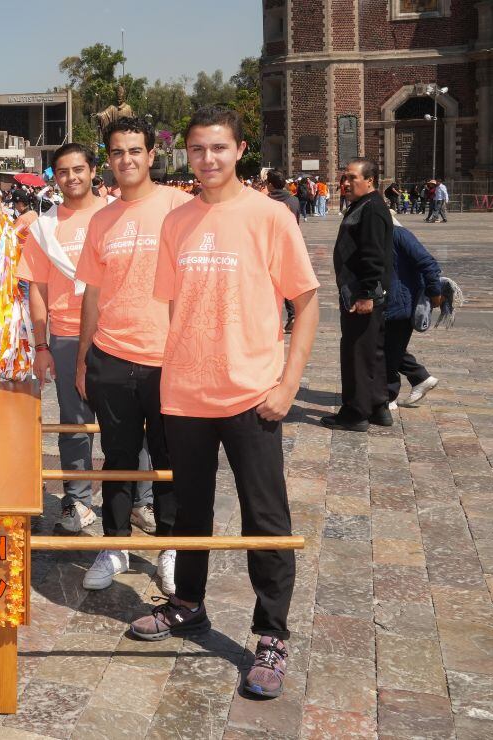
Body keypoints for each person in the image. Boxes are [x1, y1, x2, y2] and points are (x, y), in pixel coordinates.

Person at [129, 106, 320, 702]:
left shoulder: (270, 216)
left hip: (251, 395)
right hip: (185, 395)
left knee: (266, 517)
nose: (207, 159)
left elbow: (306, 303)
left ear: (240, 150)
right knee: (190, 512)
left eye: (218, 147)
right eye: (197, 149)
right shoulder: (177, 222)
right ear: (185, 154)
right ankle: (188, 603)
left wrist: (287, 385)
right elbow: (172, 306)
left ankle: (272, 635)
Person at [73, 117, 189, 594]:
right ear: (109, 158)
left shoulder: (180, 207)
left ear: (151, 155)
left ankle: (170, 549)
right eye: (118, 152)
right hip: (113, 355)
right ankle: (115, 545)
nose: (127, 159)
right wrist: (84, 358)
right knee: (118, 458)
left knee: (168, 458)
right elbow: (92, 293)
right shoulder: (101, 220)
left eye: (135, 150)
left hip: (168, 359)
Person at [17, 142, 106, 533]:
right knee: (74, 422)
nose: (72, 178)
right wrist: (41, 345)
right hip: (67, 335)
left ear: (93, 171)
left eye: (79, 169)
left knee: (128, 423)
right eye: (64, 172)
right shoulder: (44, 227)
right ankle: (78, 500)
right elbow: (36, 289)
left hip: (116, 333)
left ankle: (140, 499)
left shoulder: (114, 215)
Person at [322, 158, 394, 432]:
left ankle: (355, 412)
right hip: (360, 293)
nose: (346, 183)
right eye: (345, 177)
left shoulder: (371, 209)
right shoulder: (365, 205)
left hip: (362, 295)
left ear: (370, 180)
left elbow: (373, 255)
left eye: (352, 178)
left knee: (357, 353)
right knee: (371, 351)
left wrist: (365, 295)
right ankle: (377, 406)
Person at [385, 219, 443, 407]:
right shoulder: (377, 236)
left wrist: (434, 292)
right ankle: (420, 377)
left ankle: (387, 398)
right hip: (388, 303)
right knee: (387, 346)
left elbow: (428, 263)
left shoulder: (399, 234)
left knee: (389, 352)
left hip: (402, 303)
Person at [266, 170, 301, 333]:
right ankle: (292, 316)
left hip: (269, 247)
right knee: (287, 282)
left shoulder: (265, 201)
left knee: (268, 284)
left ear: (270, 185)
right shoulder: (294, 200)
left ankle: (269, 319)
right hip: (289, 245)